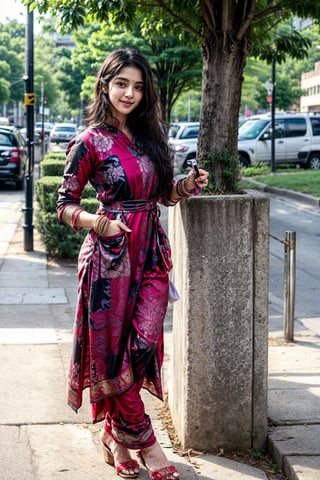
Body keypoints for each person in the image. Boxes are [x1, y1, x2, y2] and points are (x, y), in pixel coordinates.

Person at [56, 47, 209, 480]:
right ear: (105, 85)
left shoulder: (150, 136)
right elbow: (64, 205)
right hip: (108, 261)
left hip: (150, 255)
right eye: (122, 83)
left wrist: (186, 185)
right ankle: (138, 442)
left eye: (138, 86)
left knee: (141, 346)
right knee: (110, 355)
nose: (130, 93)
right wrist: (97, 222)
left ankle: (117, 434)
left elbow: (162, 195)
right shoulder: (89, 142)